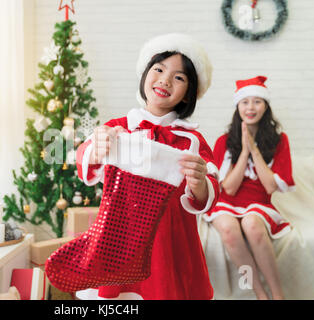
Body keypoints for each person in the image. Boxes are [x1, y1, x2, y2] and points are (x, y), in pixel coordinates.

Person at [74, 33, 219, 300]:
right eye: (159, 69)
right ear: (145, 75)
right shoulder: (119, 128)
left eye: (179, 77)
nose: (165, 80)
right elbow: (85, 165)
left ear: (189, 94)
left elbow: (210, 193)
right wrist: (97, 148)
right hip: (121, 236)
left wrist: (200, 183)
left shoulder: (192, 141)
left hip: (170, 243)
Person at [203, 76, 295, 300]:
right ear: (238, 106)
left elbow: (271, 186)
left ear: (266, 106)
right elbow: (230, 189)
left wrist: (254, 149)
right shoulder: (224, 141)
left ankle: (278, 294)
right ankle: (260, 294)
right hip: (226, 202)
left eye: (257, 101)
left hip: (258, 203)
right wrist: (243, 152)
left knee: (252, 224)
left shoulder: (279, 140)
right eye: (245, 102)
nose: (250, 107)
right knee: (227, 229)